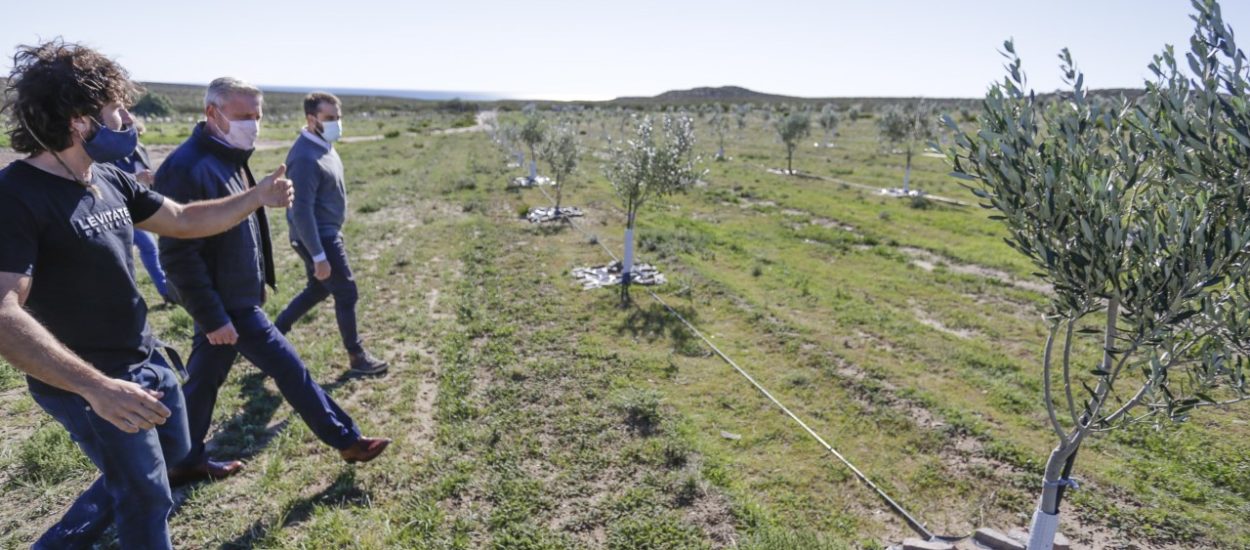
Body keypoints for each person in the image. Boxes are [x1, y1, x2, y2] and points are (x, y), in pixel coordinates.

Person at [0, 40, 295, 550]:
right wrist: (97, 388)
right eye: (117, 108)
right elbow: (3, 315)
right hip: (90, 383)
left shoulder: (107, 178)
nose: (129, 118)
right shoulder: (16, 196)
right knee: (147, 497)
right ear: (78, 119)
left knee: (172, 454)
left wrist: (257, 197)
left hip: (148, 361)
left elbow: (181, 219)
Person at [157, 77, 390, 487]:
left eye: (258, 116)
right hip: (225, 304)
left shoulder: (228, 155)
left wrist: (258, 277)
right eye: (244, 116)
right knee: (290, 369)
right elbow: (178, 255)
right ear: (212, 113)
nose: (253, 125)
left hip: (234, 296)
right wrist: (213, 317)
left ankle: (179, 460)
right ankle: (348, 440)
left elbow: (237, 227)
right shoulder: (186, 167)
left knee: (204, 381)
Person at [274, 92, 388, 375]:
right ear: (311, 119)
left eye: (338, 117)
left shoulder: (324, 144)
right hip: (318, 236)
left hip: (325, 233)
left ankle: (273, 335)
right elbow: (300, 211)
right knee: (346, 292)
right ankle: (357, 357)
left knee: (317, 290)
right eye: (330, 118)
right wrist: (318, 255)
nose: (337, 123)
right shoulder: (304, 156)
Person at [112, 118, 172, 302]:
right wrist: (135, 177)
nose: (135, 138)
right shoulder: (110, 153)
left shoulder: (140, 149)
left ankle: (165, 292)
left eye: (137, 134)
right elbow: (107, 178)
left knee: (149, 250)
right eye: (131, 134)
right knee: (137, 252)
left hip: (139, 207)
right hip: (120, 210)